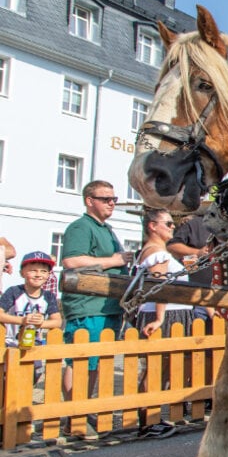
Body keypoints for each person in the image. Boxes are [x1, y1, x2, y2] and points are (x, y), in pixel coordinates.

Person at [60, 180, 135, 438]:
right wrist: (112, 261)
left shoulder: (107, 229)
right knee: (81, 361)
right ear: (89, 200)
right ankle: (73, 414)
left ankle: (84, 409)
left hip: (107, 307)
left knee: (95, 363)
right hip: (87, 306)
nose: (112, 202)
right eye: (105, 199)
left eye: (113, 198)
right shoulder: (81, 227)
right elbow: (71, 260)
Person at [135, 208, 194, 438]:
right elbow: (159, 285)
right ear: (152, 226)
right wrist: (160, 318)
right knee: (157, 366)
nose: (173, 227)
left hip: (172, 313)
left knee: (165, 367)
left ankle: (154, 416)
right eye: (168, 224)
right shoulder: (157, 253)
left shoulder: (160, 251)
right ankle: (149, 421)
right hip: (165, 315)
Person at [0, 251, 62, 385]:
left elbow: (57, 321)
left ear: (48, 275)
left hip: (34, 345)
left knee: (29, 382)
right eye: (33, 271)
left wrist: (42, 323)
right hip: (10, 345)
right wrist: (22, 320)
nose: (38, 274)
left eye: (43, 271)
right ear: (22, 273)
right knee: (7, 384)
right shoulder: (14, 292)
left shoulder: (48, 296)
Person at [167, 214, 215, 328]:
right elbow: (172, 246)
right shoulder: (197, 224)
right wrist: (197, 252)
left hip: (225, 297)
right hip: (198, 300)